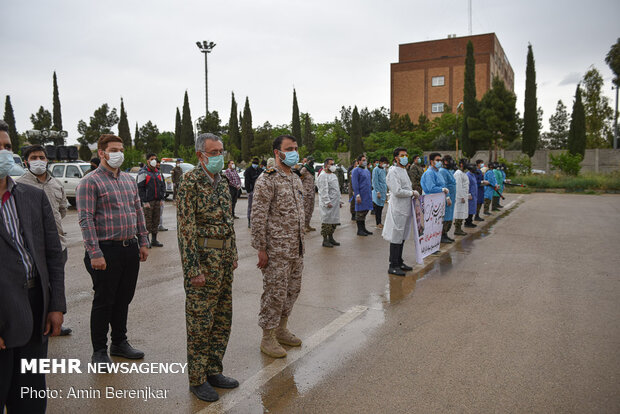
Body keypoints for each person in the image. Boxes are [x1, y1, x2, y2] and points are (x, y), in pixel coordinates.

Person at [0, 121, 65, 413]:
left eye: (7, 147)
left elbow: (52, 255)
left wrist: (55, 306)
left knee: (30, 395)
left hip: (35, 306)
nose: (4, 153)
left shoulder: (32, 197)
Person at [176, 133, 239, 402]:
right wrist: (193, 269)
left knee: (222, 319)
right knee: (200, 322)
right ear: (200, 155)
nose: (219, 157)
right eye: (213, 152)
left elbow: (228, 221)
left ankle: (214, 369)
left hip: (223, 260)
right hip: (203, 262)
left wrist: (233, 253)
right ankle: (197, 378)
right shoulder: (189, 183)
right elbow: (186, 230)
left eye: (221, 151)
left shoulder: (222, 181)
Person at [76, 134, 149, 365]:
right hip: (105, 251)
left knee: (123, 299)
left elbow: (137, 211)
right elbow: (86, 220)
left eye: (121, 149)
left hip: (129, 248)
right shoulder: (90, 182)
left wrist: (144, 241)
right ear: (101, 153)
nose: (118, 153)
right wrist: (94, 252)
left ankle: (119, 342)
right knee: (104, 300)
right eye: (113, 149)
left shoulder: (128, 180)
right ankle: (99, 350)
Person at [251, 135, 305, 359]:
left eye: (295, 148)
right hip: (276, 250)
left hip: (296, 248)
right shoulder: (267, 179)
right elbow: (258, 217)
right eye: (289, 149)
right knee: (274, 293)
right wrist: (261, 248)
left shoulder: (295, 178)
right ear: (277, 153)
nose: (294, 152)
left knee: (292, 291)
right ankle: (268, 336)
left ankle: (282, 329)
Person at [17, 145, 72, 336]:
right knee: (35, 286)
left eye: (41, 157)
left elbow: (63, 209)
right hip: (33, 248)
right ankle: (33, 324)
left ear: (47, 160)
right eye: (34, 157)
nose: (38, 160)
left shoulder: (56, 184)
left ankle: (54, 319)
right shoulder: (20, 186)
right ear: (26, 161)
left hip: (58, 244)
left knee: (55, 283)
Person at [382, 147, 419, 276]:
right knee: (396, 236)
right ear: (396, 158)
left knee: (403, 236)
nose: (405, 157)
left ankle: (399, 261)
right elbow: (397, 191)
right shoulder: (393, 172)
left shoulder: (403, 170)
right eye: (402, 155)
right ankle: (393, 265)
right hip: (398, 209)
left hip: (406, 208)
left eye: (406, 155)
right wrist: (411, 193)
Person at [420, 153, 451, 243]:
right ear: (431, 162)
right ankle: (429, 245)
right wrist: (441, 189)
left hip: (438, 202)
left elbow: (443, 185)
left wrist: (447, 196)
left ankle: (434, 244)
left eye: (440, 160)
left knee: (436, 224)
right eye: (437, 160)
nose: (439, 162)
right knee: (431, 225)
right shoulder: (429, 173)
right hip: (431, 202)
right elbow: (430, 188)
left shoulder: (438, 172)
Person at [137, 153, 166, 247]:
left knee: (156, 221)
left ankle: (154, 240)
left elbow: (162, 186)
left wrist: (162, 198)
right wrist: (144, 201)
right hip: (148, 202)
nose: (154, 160)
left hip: (157, 201)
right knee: (147, 222)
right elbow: (140, 188)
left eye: (155, 158)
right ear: (147, 161)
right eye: (152, 158)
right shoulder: (143, 172)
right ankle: (147, 241)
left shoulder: (158, 172)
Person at [316, 158, 342, 248]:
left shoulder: (333, 175)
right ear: (326, 165)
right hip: (328, 203)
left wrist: (340, 200)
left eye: (334, 164)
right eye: (331, 164)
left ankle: (331, 238)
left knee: (333, 222)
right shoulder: (323, 176)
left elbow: (337, 189)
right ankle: (325, 240)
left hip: (335, 202)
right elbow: (323, 190)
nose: (333, 166)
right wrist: (327, 201)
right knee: (327, 222)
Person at [351, 154, 373, 236]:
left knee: (365, 211)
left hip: (367, 194)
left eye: (365, 160)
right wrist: (357, 195)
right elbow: (355, 183)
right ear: (359, 161)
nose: (365, 161)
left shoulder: (366, 170)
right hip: (360, 194)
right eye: (363, 160)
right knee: (360, 212)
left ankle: (363, 228)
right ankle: (359, 230)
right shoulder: (356, 170)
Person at [438, 155, 457, 243]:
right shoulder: (442, 171)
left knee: (449, 216)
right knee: (445, 216)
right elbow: (444, 185)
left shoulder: (448, 171)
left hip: (452, 197)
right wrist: (447, 197)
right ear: (445, 161)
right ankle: (442, 235)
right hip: (447, 198)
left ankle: (445, 234)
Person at [452, 159, 470, 236]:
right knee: (459, 213)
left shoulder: (463, 173)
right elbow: (458, 186)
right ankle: (457, 229)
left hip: (464, 196)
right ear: (461, 164)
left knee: (462, 212)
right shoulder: (458, 173)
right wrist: (461, 196)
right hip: (460, 197)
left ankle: (459, 228)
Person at [244, 157, 262, 228]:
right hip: (251, 191)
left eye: (256, 164)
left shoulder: (259, 170)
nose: (255, 165)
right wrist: (248, 191)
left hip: (259, 191)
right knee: (250, 207)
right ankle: (249, 220)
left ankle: (257, 221)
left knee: (259, 207)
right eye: (254, 164)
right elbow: (247, 181)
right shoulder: (248, 170)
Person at [299, 157, 316, 232]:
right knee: (305, 210)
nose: (312, 162)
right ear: (308, 161)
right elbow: (299, 180)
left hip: (312, 193)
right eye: (311, 161)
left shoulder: (312, 170)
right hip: (306, 193)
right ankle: (303, 226)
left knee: (310, 209)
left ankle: (308, 224)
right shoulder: (304, 169)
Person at [372, 157, 388, 229]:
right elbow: (375, 181)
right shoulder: (376, 170)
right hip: (378, 191)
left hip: (383, 190)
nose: (385, 165)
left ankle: (380, 222)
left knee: (381, 207)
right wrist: (377, 191)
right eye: (384, 163)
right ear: (381, 162)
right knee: (377, 208)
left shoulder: (383, 170)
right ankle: (378, 223)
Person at [156, 160, 168, 232]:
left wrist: (162, 197)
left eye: (158, 164)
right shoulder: (149, 173)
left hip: (160, 197)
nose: (158, 165)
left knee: (160, 213)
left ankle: (160, 225)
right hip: (153, 198)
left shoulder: (159, 174)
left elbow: (162, 185)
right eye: (157, 164)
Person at [465, 164, 478, 228]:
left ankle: (470, 221)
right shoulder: (468, 175)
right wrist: (468, 194)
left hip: (474, 194)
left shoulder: (473, 175)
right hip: (470, 195)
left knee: (472, 209)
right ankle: (467, 222)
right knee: (469, 209)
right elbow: (467, 185)